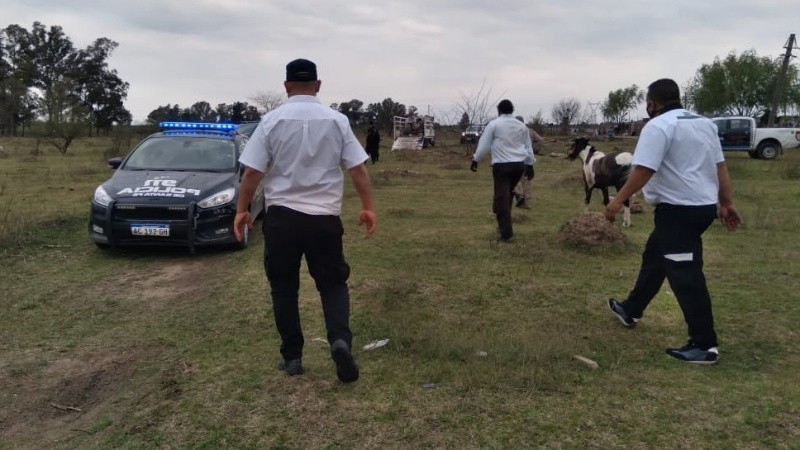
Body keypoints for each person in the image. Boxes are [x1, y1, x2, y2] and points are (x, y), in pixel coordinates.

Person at [234, 58, 377, 383]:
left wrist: (242, 209)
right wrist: (368, 207)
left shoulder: (271, 121)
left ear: (286, 87)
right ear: (318, 85)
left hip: (282, 218)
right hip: (324, 219)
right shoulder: (337, 121)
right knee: (332, 283)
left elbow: (253, 172)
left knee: (284, 286)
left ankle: (293, 357)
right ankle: (339, 340)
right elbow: (357, 168)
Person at [604, 78, 742, 365]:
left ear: (652, 103)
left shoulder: (657, 126)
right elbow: (720, 167)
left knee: (685, 275)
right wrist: (726, 202)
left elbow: (644, 169)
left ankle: (705, 345)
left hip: (678, 210)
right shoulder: (704, 124)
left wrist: (617, 201)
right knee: (655, 255)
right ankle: (631, 308)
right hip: (701, 207)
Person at [470, 99, 535, 242]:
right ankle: (504, 228)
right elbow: (528, 147)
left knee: (501, 199)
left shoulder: (494, 124)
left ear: (498, 110)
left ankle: (506, 234)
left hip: (502, 167)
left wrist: (476, 159)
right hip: (518, 166)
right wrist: (530, 165)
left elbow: (484, 146)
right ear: (512, 110)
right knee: (508, 196)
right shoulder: (521, 126)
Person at [511, 116, 544, 209]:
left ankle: (518, 194)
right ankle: (527, 204)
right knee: (526, 182)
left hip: (514, 159)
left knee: (511, 179)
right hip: (527, 159)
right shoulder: (530, 131)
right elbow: (540, 140)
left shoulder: (511, 131)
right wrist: (534, 149)